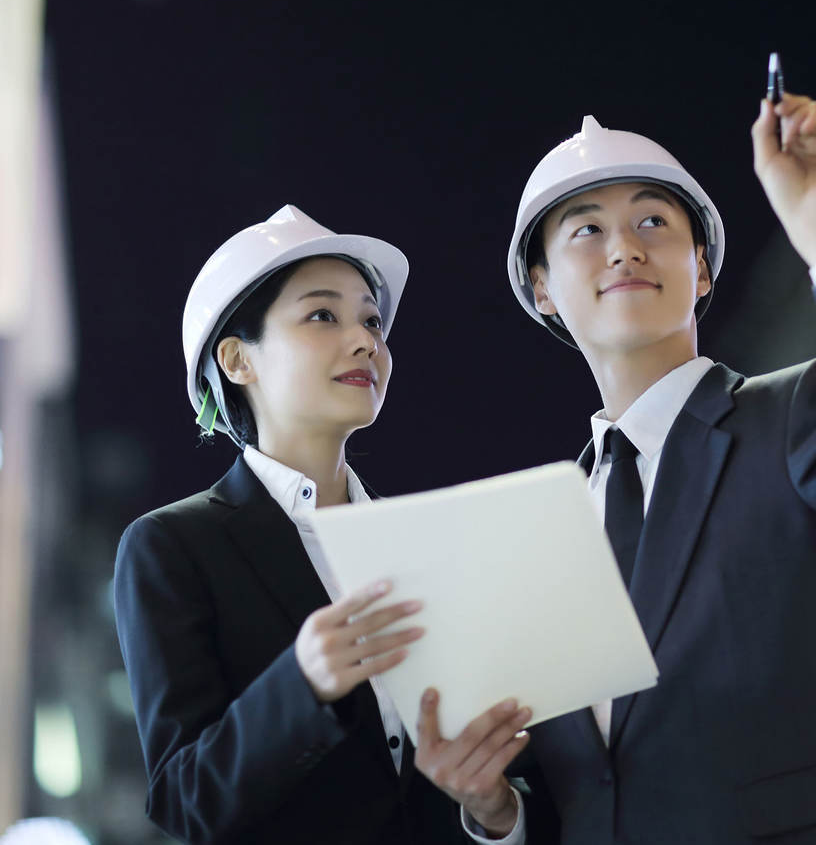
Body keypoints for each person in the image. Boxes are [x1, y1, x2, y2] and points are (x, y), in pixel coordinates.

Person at [502, 98, 816, 844]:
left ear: (701, 268)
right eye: (587, 231)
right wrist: (494, 813)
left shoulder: (793, 416)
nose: (624, 248)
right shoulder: (543, 534)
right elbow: (579, 786)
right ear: (542, 289)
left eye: (653, 223)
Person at [115, 206, 531, 844]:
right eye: (322, 315)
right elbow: (184, 801)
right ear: (237, 360)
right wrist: (302, 682)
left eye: (370, 319)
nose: (366, 339)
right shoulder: (172, 547)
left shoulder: (428, 541)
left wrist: (495, 814)